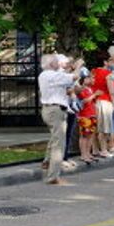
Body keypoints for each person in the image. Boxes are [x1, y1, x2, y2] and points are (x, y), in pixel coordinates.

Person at [38, 54, 84, 184]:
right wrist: (79, 66)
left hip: (48, 109)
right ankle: (53, 177)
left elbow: (66, 84)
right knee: (59, 144)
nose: (58, 63)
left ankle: (47, 162)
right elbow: (74, 77)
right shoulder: (53, 75)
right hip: (56, 110)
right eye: (56, 61)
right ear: (52, 64)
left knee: (54, 138)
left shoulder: (44, 75)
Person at [91, 53, 114, 158]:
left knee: (95, 127)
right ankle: (104, 150)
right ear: (105, 62)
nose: (111, 62)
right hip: (105, 102)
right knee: (104, 127)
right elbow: (112, 91)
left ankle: (95, 149)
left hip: (94, 101)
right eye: (109, 60)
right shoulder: (108, 74)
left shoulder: (92, 72)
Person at [76, 71, 101, 165]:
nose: (90, 79)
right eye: (87, 78)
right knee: (84, 135)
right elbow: (84, 101)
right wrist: (94, 95)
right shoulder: (81, 89)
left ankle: (88, 153)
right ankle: (83, 154)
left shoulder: (90, 89)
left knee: (90, 135)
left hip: (91, 114)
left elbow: (92, 101)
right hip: (84, 115)